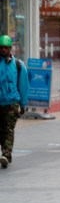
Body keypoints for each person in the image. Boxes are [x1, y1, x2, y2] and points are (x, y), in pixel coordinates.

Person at [0, 35, 28, 169]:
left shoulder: (18, 65)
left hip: (12, 102)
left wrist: (23, 104)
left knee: (9, 129)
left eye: (6, 47)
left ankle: (6, 153)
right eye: (1, 47)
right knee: (1, 130)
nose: (3, 49)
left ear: (10, 48)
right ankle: (5, 152)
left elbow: (23, 85)